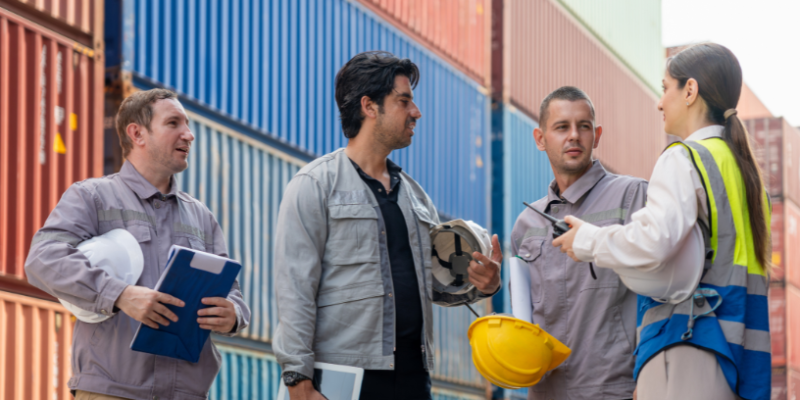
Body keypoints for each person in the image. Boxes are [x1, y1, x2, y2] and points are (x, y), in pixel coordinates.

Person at [273, 51, 502, 400]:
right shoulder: (315, 185)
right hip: (344, 379)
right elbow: (295, 289)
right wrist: (297, 378)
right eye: (404, 101)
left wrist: (482, 284)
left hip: (414, 378)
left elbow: (432, 286)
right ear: (369, 106)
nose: (416, 112)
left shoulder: (416, 197)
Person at [554, 43, 771, 400]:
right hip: (741, 353)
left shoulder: (683, 158)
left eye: (665, 87)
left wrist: (587, 241)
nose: (659, 102)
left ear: (690, 91)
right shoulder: (747, 176)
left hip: (689, 341)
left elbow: (654, 244)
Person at [25, 89, 251, 400]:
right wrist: (119, 294)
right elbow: (43, 259)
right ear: (137, 134)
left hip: (187, 393)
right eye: (173, 123)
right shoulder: (92, 197)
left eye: (187, 125)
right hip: (112, 391)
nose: (189, 135)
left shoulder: (201, 216)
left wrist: (234, 314)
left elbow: (231, 290)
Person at [509, 86, 647, 399]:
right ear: (540, 139)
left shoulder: (633, 196)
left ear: (596, 135)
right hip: (546, 391)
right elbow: (524, 319)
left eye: (583, 126)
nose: (574, 136)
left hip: (616, 389)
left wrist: (649, 377)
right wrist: (491, 287)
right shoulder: (526, 224)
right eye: (562, 127)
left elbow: (663, 293)